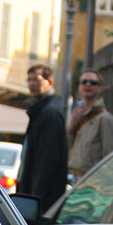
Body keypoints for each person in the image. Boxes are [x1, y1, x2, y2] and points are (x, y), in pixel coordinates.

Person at [16, 64, 68, 212]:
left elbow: (47, 160)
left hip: (41, 200)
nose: (32, 84)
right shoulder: (41, 110)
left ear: (49, 82)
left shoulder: (50, 113)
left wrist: (36, 199)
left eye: (36, 80)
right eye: (29, 80)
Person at [67, 70, 113, 181]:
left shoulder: (105, 119)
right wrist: (71, 127)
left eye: (93, 82)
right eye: (84, 81)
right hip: (75, 178)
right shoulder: (77, 116)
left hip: (92, 181)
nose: (88, 84)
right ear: (79, 87)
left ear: (99, 89)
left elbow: (111, 159)